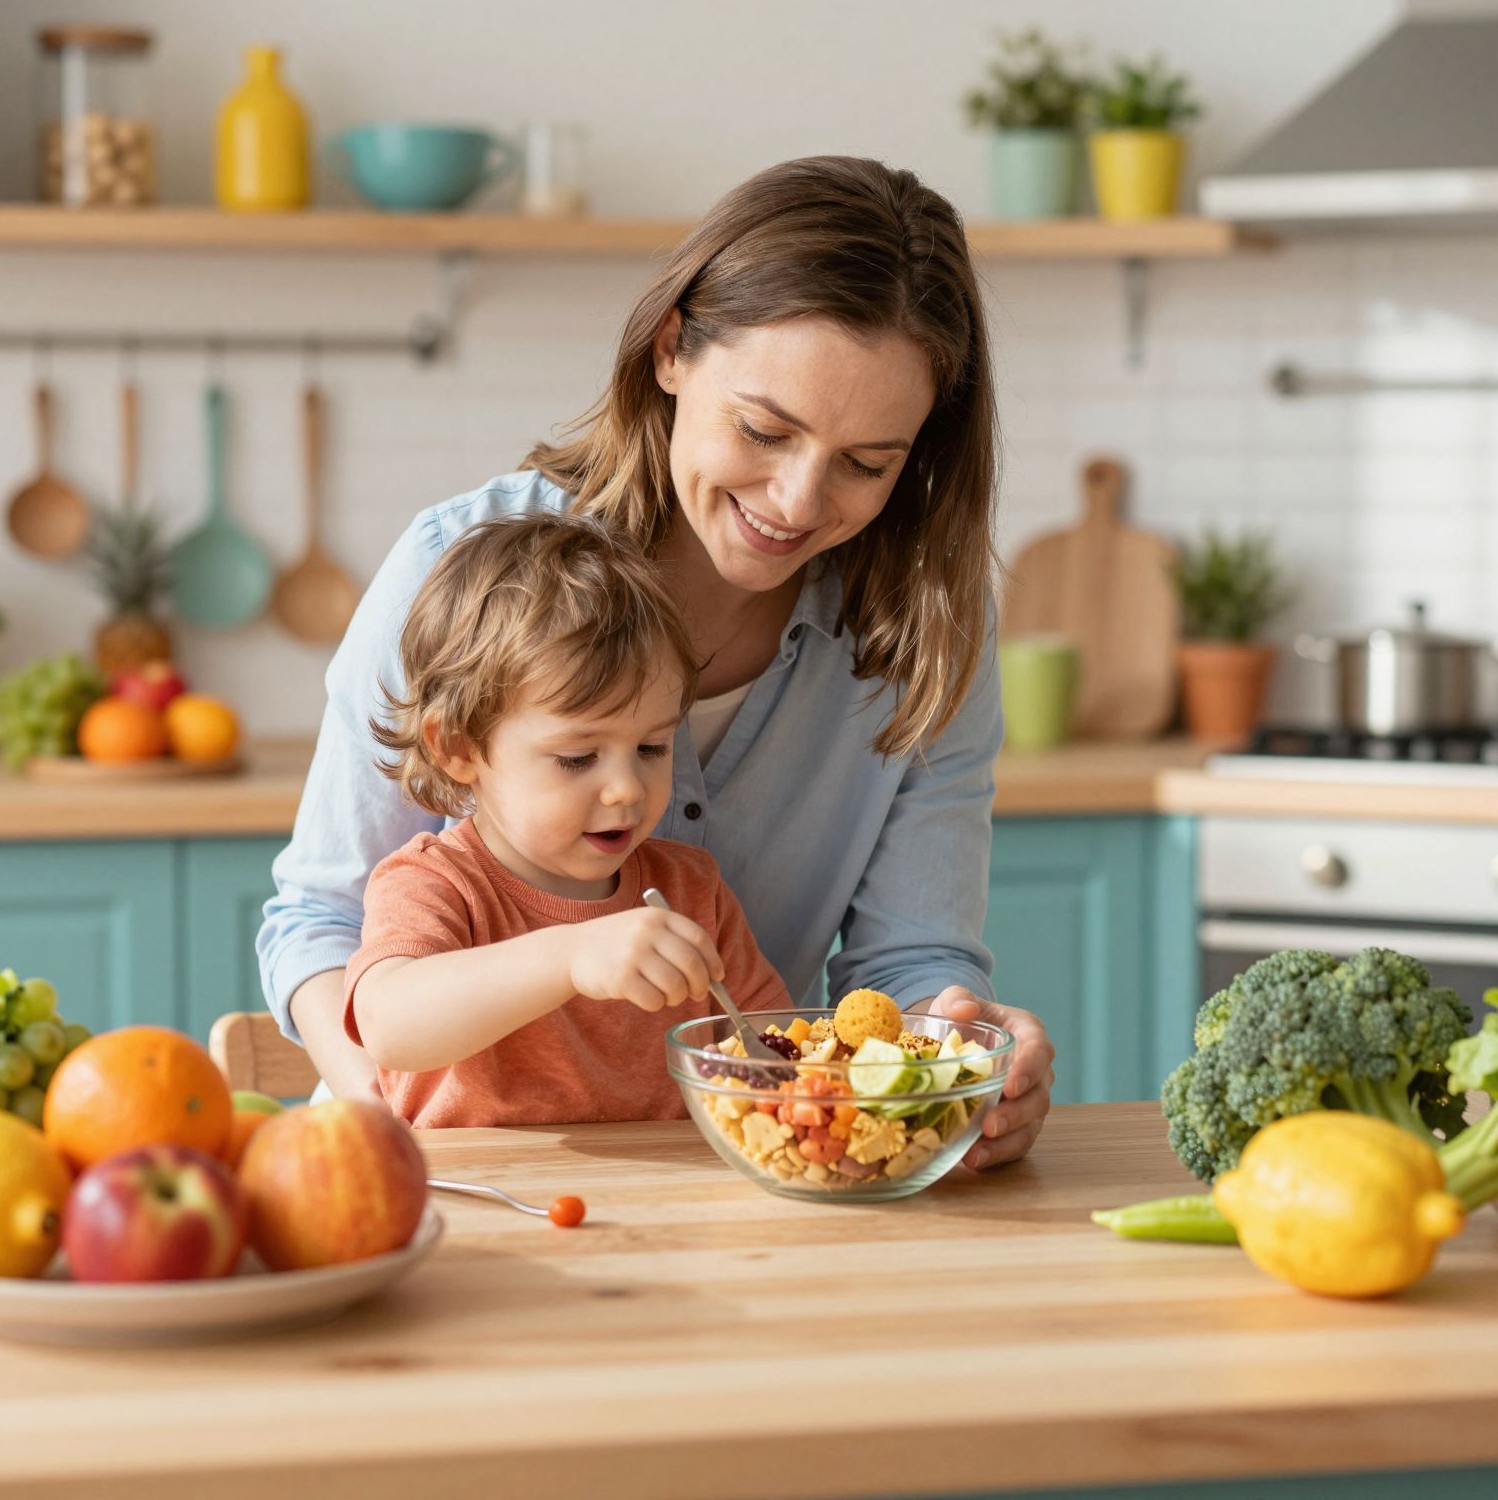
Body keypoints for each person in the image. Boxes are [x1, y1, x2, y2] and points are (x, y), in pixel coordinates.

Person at [259, 153, 1055, 1168]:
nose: (799, 501)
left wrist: (954, 1056)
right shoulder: (456, 573)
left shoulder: (929, 628)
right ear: (671, 350)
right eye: (763, 429)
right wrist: (402, 1115)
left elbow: (900, 969)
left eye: (865, 464)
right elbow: (322, 926)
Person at [347, 512, 791, 1127]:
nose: (625, 790)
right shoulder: (435, 885)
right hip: (490, 1208)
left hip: (671, 1207)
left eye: (652, 748)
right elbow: (389, 1025)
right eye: (577, 757)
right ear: (458, 747)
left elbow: (778, 1056)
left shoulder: (693, 894)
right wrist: (571, 956)